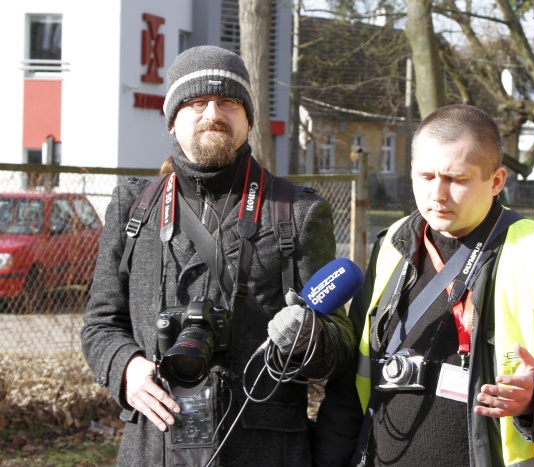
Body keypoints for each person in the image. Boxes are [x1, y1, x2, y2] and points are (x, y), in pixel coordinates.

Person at [81, 45, 355, 467]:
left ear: (248, 119)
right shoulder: (133, 206)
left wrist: (309, 338)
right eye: (195, 103)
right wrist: (127, 369)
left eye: (227, 101)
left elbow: (339, 346)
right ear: (173, 121)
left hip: (264, 449)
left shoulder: (296, 211)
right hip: (155, 444)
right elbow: (101, 323)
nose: (212, 113)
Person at [313, 104, 534, 466]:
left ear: (496, 181)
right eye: (426, 176)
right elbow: (349, 389)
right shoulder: (392, 244)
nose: (438, 195)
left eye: (456, 179)